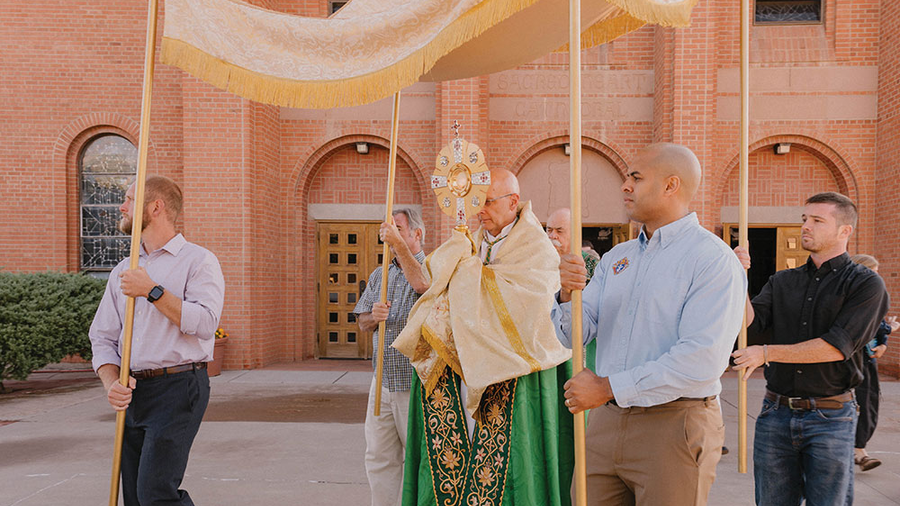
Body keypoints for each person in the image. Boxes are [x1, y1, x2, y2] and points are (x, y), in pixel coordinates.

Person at [553, 142, 747, 506]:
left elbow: (700, 361)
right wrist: (567, 294)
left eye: (635, 177)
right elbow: (571, 334)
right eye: (627, 177)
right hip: (607, 421)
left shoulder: (711, 260)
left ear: (671, 185)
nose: (624, 185)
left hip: (673, 422)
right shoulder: (617, 258)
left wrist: (608, 386)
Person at [394, 168, 574, 506]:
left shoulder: (538, 248)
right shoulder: (467, 243)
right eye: (477, 202)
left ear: (513, 202)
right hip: (460, 373)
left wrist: (465, 275)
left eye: (488, 202)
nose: (480, 210)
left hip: (510, 374)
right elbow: (429, 288)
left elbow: (532, 310)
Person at [732, 192, 889, 506]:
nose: (806, 226)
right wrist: (736, 277)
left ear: (845, 230)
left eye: (818, 220)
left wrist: (766, 354)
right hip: (774, 414)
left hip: (831, 417)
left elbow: (835, 347)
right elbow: (751, 324)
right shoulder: (782, 281)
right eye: (805, 219)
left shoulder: (865, 284)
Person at [90, 176, 225, 506]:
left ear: (155, 207)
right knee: (136, 496)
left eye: (129, 199)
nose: (120, 206)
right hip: (132, 389)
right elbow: (102, 337)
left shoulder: (198, 261)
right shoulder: (124, 269)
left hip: (178, 388)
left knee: (156, 494)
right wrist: (111, 384)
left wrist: (152, 291)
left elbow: (206, 324)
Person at [354, 207, 428, 506]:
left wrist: (397, 244)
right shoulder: (380, 273)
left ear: (416, 233)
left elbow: (424, 284)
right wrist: (374, 315)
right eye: (389, 229)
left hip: (415, 383)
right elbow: (361, 321)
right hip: (382, 381)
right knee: (379, 456)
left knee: (420, 458)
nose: (390, 234)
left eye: (398, 228)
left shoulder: (431, 265)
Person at [847, 254, 897, 472]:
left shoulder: (876, 294)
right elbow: (863, 326)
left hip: (867, 358)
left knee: (869, 402)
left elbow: (879, 324)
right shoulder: (852, 295)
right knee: (854, 402)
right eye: (872, 272)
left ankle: (859, 449)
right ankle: (857, 451)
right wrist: (888, 330)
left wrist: (884, 340)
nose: (876, 278)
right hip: (850, 357)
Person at [547, 208, 599, 374]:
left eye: (559, 231)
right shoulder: (540, 261)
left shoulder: (590, 263)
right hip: (547, 343)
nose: (552, 236)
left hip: (577, 339)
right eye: (549, 230)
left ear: (575, 233)